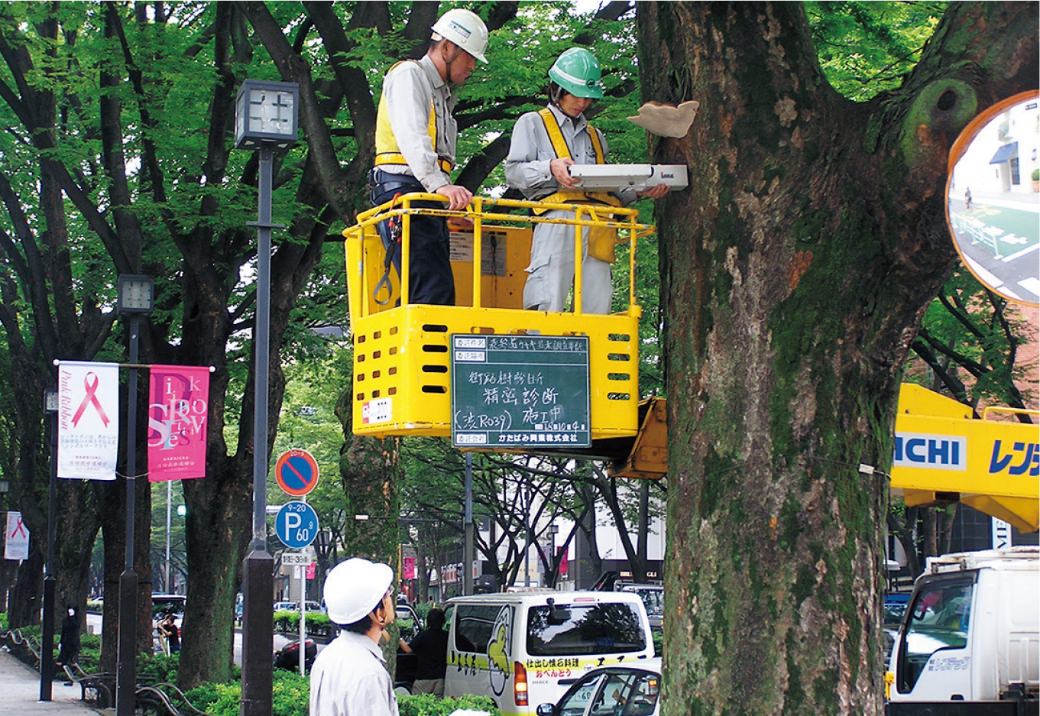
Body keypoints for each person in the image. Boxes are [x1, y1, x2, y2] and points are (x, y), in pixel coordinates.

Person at [505, 48, 669, 314]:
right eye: (576, 95)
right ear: (557, 90)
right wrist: (550, 167)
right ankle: (542, 350)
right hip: (558, 217)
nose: (582, 103)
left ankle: (593, 351)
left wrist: (640, 191)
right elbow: (513, 173)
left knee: (597, 303)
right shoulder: (532, 123)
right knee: (549, 296)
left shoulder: (596, 136)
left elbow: (607, 193)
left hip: (598, 222)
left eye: (587, 98)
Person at [369, 8, 489, 306]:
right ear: (447, 48)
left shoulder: (442, 95)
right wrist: (441, 186)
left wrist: (446, 199)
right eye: (469, 56)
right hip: (404, 189)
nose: (472, 66)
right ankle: (427, 352)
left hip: (423, 193)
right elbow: (413, 137)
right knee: (432, 289)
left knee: (427, 285)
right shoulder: (410, 75)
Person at [310, 557, 399, 716]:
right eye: (387, 594)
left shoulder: (326, 657)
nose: (391, 598)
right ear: (378, 613)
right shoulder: (369, 674)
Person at [398, 607, 448, 696]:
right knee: (437, 704)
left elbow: (407, 649)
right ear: (442, 621)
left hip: (423, 678)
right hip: (440, 678)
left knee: (418, 703)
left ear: (428, 621)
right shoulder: (446, 636)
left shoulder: (423, 636)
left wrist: (398, 638)